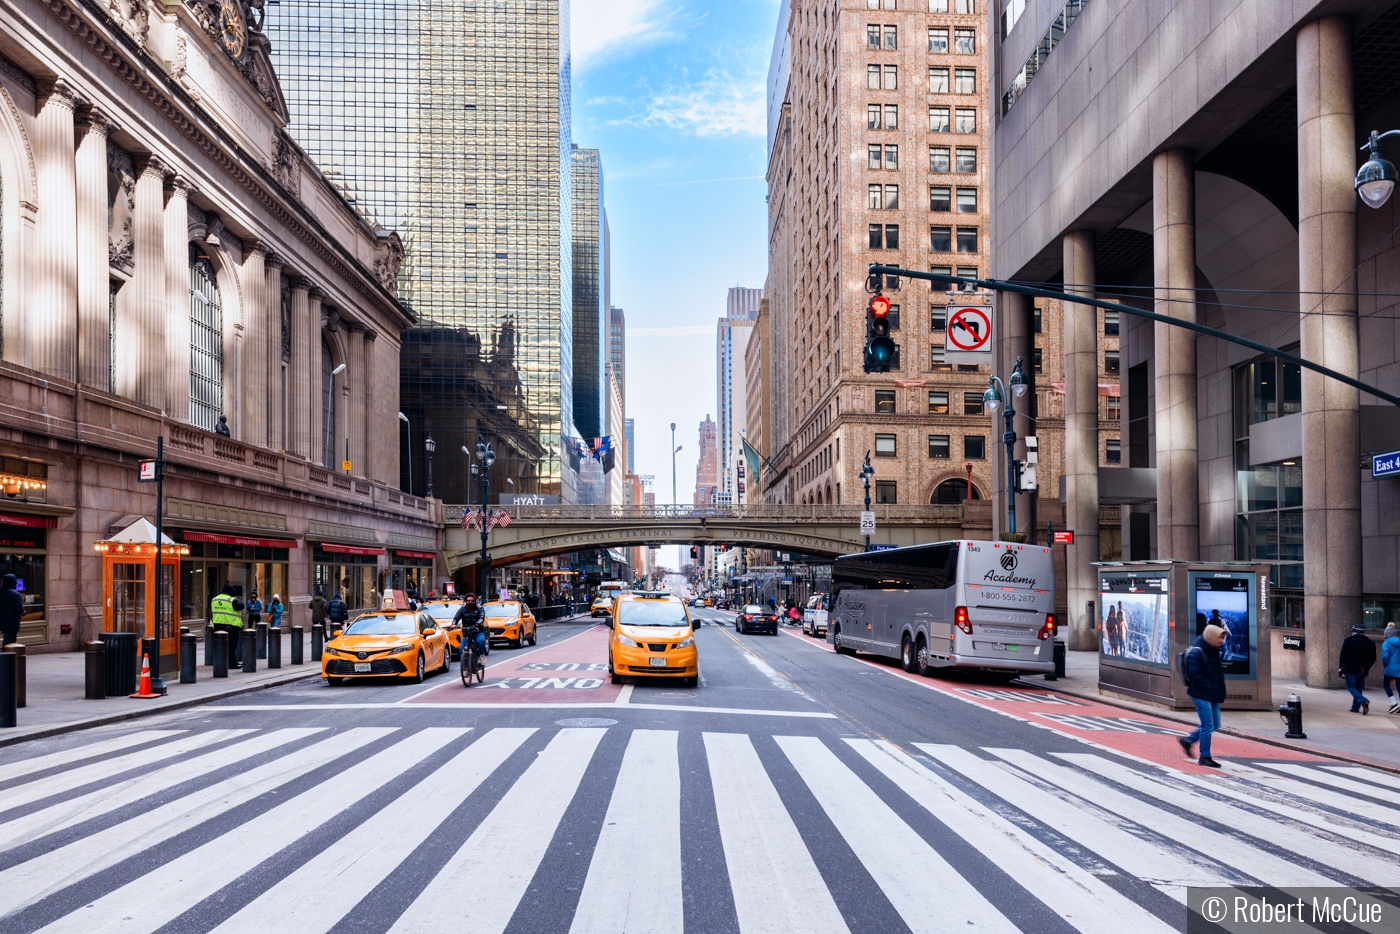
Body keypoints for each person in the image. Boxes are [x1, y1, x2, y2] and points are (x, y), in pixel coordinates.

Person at [1179, 623, 1228, 768]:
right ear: (1211, 637)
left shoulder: (1213, 650)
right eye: (1219, 637)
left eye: (1222, 638)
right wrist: (1211, 687)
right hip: (1200, 693)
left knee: (1215, 724)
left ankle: (1188, 741)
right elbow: (1196, 675)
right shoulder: (1198, 652)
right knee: (1208, 725)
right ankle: (1204, 756)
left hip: (1211, 693)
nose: (1221, 641)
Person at [1340, 623, 1378, 715]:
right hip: (1364, 669)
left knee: (1350, 686)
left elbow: (1343, 655)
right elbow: (1373, 657)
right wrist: (1367, 666)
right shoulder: (1370, 643)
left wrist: (1342, 667)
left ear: (1354, 632)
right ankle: (1355, 708)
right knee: (1358, 687)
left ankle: (1363, 700)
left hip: (1352, 668)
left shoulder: (1349, 641)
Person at [210, 583, 246, 668]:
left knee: (219, 646)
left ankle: (219, 663)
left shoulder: (214, 599)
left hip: (217, 627)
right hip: (230, 627)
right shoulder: (232, 600)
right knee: (231, 646)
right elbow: (241, 606)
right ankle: (232, 663)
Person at [454, 593, 488, 664]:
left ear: (475, 601)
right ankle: (465, 668)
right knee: (462, 648)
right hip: (467, 633)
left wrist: (478, 623)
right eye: (468, 601)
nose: (470, 602)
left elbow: (482, 617)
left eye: (472, 601)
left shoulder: (480, 608)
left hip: (478, 631)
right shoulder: (462, 609)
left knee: (481, 641)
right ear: (465, 601)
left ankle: (481, 656)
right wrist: (453, 624)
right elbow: (456, 617)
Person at [1382, 622, 1400, 714]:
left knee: (1385, 684)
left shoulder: (1386, 644)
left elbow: (1385, 657)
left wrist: (1384, 666)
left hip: (1390, 668)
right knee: (1399, 686)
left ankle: (1394, 703)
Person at [0, 574, 22, 646]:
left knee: (7, 641)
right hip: (11, 623)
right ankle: (5, 656)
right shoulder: (15, 594)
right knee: (10, 643)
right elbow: (18, 608)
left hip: (2, 621)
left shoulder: (1, 592)